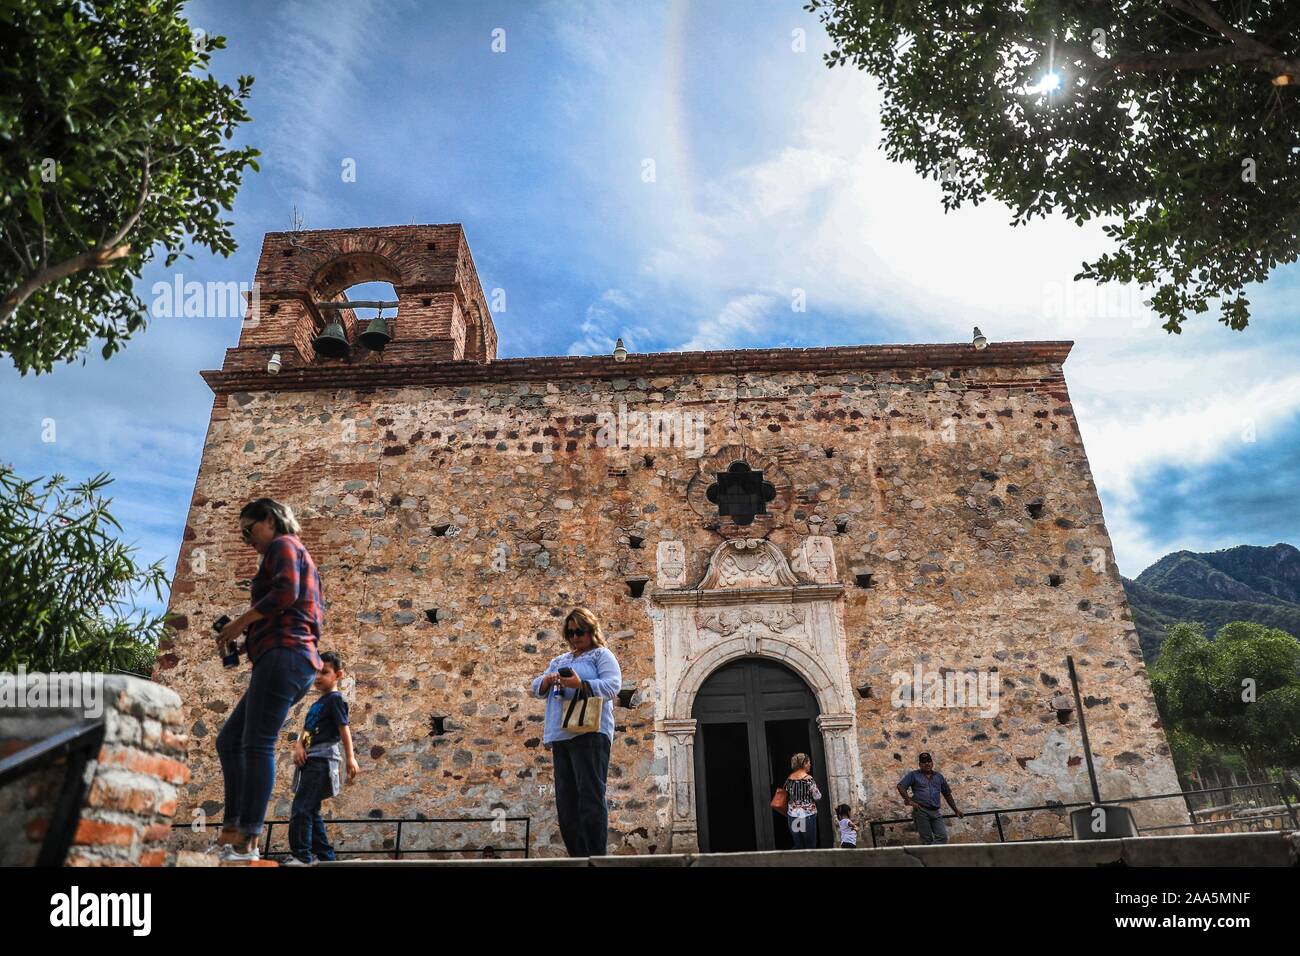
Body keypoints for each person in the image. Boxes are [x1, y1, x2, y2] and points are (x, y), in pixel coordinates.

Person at [214, 499, 324, 862]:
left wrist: (240, 623)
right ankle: (233, 831)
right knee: (231, 740)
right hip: (288, 657)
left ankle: (247, 840)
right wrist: (247, 640)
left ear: (270, 519)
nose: (247, 540)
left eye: (249, 529)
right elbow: (292, 609)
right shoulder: (295, 552)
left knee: (257, 743)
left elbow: (285, 593)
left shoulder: (283, 545)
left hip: (285, 656)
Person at [531, 608, 622, 857]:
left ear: (591, 631)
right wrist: (549, 680)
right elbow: (535, 687)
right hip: (562, 734)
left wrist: (580, 684)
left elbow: (613, 686)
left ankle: (596, 857)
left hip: (591, 732)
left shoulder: (601, 656)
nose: (574, 637)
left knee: (591, 797)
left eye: (579, 632)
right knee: (567, 803)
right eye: (569, 633)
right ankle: (578, 857)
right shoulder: (560, 661)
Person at [285, 651, 358, 865]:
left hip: (322, 760)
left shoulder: (336, 699)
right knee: (312, 811)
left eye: (324, 672)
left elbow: (344, 729)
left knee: (301, 808)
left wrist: (351, 758)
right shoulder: (318, 704)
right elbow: (308, 730)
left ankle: (301, 855)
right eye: (315, 672)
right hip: (310, 760)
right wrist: (299, 745)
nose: (317, 677)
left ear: (338, 674)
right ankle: (326, 857)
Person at [896, 751, 963, 845]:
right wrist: (909, 801)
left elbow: (947, 794)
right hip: (921, 810)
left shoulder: (939, 777)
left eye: (929, 761)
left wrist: (956, 810)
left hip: (935, 811)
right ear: (920, 764)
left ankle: (929, 855)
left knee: (942, 837)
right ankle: (930, 858)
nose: (927, 764)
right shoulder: (914, 775)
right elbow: (900, 786)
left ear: (932, 763)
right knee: (926, 840)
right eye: (923, 762)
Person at [783, 753, 823, 849]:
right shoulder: (808, 779)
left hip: (793, 816)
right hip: (807, 816)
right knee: (810, 846)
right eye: (809, 762)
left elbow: (786, 792)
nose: (810, 765)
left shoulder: (789, 779)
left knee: (799, 845)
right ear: (804, 763)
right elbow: (817, 797)